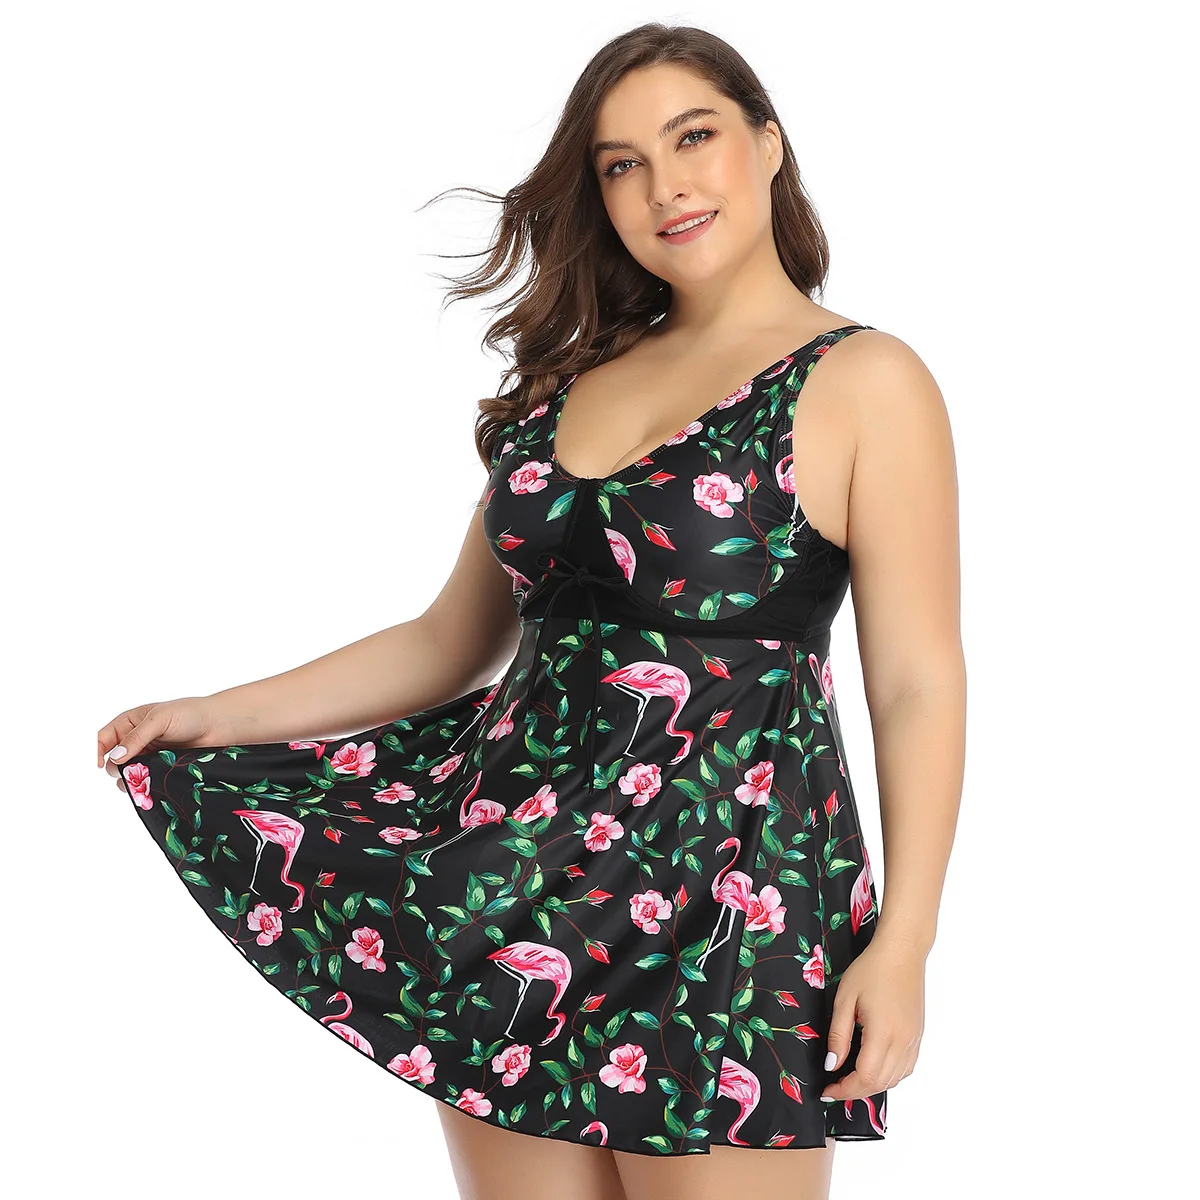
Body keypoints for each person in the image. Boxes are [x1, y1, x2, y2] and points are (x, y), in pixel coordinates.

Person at [97, 22, 965, 1200]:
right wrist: (214, 714)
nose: (665, 187)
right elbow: (446, 641)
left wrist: (904, 941)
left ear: (768, 144)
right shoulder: (568, 384)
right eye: (622, 164)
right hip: (510, 891)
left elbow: (915, 680)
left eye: (694, 137)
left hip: (728, 908)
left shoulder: (866, 379)